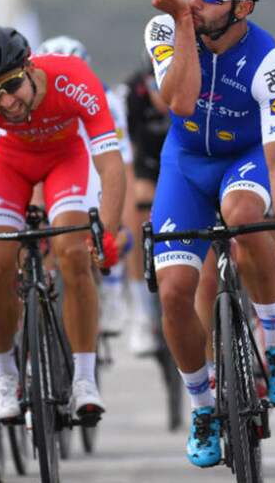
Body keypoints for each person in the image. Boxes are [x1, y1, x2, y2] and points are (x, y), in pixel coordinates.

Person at [145, 0, 275, 468]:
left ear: (243, 6)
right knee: (173, 291)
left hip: (246, 158)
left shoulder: (269, 61)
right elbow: (181, 100)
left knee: (244, 220)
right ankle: (200, 404)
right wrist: (186, 26)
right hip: (186, 163)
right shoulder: (165, 30)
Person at [0, 25, 125, 425]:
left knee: (74, 253)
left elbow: (110, 164)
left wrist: (106, 233)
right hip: (9, 162)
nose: (5, 101)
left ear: (29, 67)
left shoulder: (72, 77)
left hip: (66, 159)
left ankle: (83, 378)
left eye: (11, 86)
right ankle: (6, 375)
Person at [36, 34, 137, 337]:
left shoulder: (105, 99)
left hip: (94, 160)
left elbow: (122, 166)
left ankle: (112, 285)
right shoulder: (34, 98)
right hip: (56, 161)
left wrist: (116, 224)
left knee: (104, 220)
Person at [120, 54, 171, 355]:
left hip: (184, 163)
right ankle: (142, 310)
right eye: (155, 84)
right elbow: (125, 154)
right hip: (147, 167)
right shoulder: (132, 95)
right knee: (138, 213)